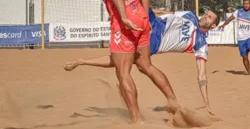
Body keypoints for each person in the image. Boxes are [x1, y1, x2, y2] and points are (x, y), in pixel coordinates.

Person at [80, 0, 179, 124]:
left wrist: (124, 18)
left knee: (123, 73)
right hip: (141, 18)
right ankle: (174, 102)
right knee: (146, 66)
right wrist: (147, 18)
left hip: (124, 24)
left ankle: (136, 120)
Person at [64, 8, 219, 115]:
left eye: (210, 16)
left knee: (122, 60)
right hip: (153, 22)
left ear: (213, 25)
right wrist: (147, 11)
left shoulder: (201, 44)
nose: (205, 16)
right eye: (207, 13)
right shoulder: (191, 15)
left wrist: (206, 103)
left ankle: (82, 61)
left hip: (153, 42)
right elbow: (166, 13)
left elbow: (202, 76)